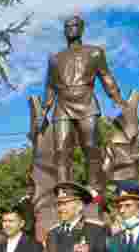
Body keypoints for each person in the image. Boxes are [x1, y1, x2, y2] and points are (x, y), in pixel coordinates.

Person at [36, 15, 129, 222]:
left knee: (91, 147)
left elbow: (106, 77)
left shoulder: (94, 52)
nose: (71, 29)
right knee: (60, 151)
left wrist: (118, 99)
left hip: (86, 101)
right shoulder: (55, 58)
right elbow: (50, 87)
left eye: (74, 26)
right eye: (67, 26)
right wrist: (44, 111)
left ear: (82, 29)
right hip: (62, 104)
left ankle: (94, 191)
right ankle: (64, 194)